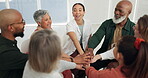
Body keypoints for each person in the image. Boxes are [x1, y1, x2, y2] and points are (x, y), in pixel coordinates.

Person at [87, 0, 135, 70]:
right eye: (115, 9)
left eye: (120, 11)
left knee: (111, 67)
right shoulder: (107, 23)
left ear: (129, 12)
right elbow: (97, 37)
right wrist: (90, 49)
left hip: (121, 59)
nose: (116, 13)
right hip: (104, 54)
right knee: (88, 65)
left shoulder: (133, 29)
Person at [62, 3, 92, 78]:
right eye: (75, 10)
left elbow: (90, 38)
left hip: (84, 48)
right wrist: (82, 54)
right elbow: (74, 39)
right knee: (75, 67)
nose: (77, 13)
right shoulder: (70, 25)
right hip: (72, 50)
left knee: (84, 68)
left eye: (80, 10)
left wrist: (88, 51)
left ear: (84, 12)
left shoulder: (88, 23)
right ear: (72, 13)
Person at [0, 9, 28, 78]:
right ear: (11, 28)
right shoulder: (6, 52)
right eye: (21, 22)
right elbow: (39, 61)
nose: (24, 24)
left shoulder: (6, 41)